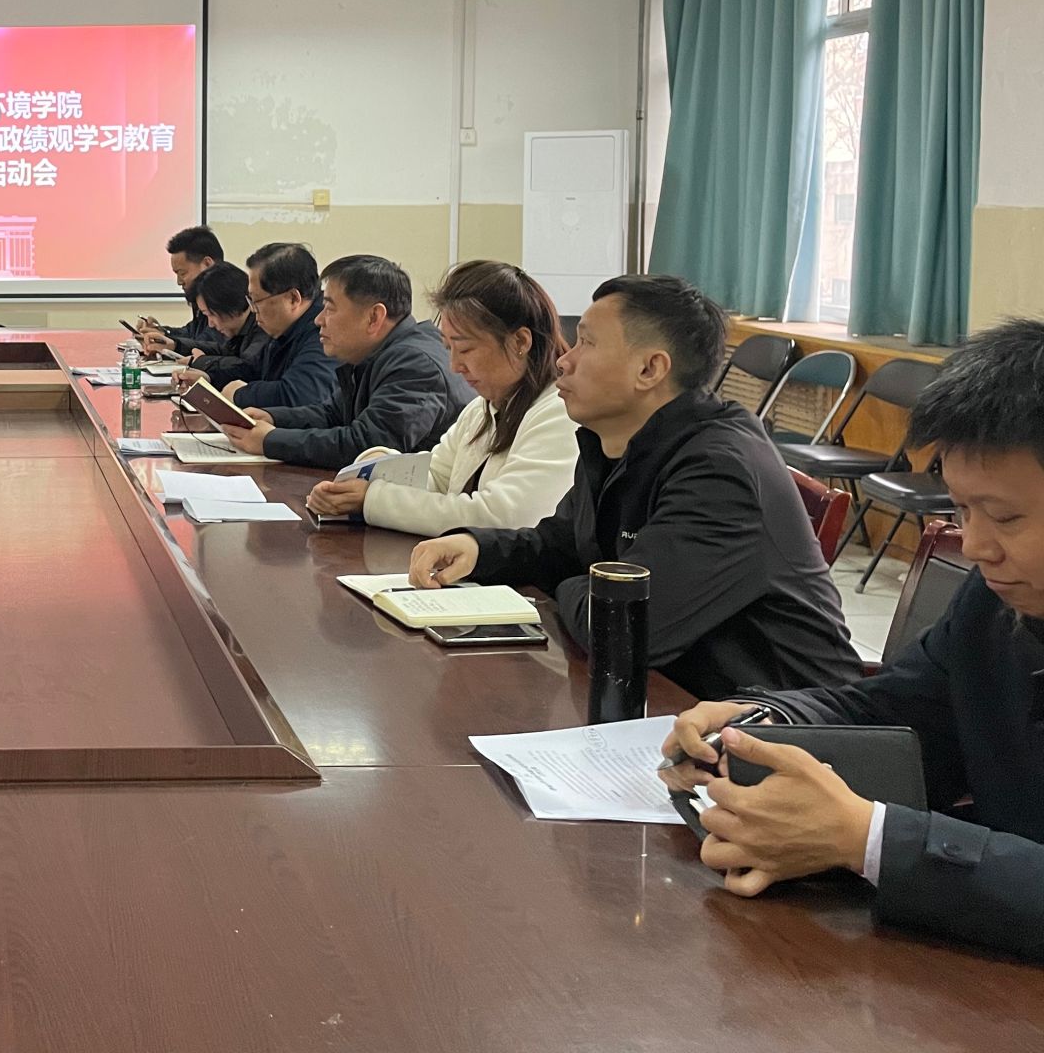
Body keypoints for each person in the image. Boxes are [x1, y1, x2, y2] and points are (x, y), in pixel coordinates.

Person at [659, 319, 1044, 959]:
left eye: (1005, 517)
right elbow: (898, 710)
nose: (975, 545)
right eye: (961, 510)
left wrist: (866, 839)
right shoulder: (992, 602)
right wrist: (763, 727)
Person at [407, 273, 858, 699]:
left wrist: (574, 583)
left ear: (650, 369)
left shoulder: (720, 472)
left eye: (587, 343)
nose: (564, 360)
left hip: (784, 727)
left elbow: (617, 628)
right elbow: (562, 545)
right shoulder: (616, 440)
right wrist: (478, 548)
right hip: (675, 704)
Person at [303, 260, 577, 533]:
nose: (454, 366)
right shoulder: (482, 409)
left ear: (520, 342)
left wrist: (373, 498)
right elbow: (435, 478)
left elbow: (503, 517)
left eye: (465, 349)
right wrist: (377, 467)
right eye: (448, 348)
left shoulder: (560, 412)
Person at [224, 252, 468, 464]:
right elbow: (332, 415)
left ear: (374, 317)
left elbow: (370, 446)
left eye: (330, 308)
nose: (318, 319)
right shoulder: (376, 353)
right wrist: (273, 418)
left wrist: (271, 440)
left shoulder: (416, 364)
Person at [181, 242, 341, 414]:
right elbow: (254, 370)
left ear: (293, 299)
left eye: (256, 301)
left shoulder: (323, 330)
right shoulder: (284, 327)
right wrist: (210, 380)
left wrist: (240, 394)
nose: (252, 310)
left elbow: (298, 395)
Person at [172, 263, 267, 392]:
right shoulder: (241, 329)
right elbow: (222, 350)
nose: (210, 324)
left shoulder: (263, 326)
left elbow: (247, 368)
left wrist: (201, 362)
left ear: (228, 304)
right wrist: (175, 345)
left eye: (210, 314)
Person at [138, 226, 226, 357]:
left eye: (182, 273)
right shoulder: (202, 295)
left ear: (207, 264)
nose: (179, 282)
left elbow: (210, 344)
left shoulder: (227, 296)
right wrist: (162, 332)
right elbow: (192, 332)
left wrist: (175, 344)